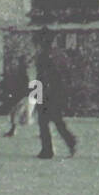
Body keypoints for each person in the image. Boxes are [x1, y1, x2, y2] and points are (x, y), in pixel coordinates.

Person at [34, 28, 77, 159]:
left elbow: (39, 78)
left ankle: (47, 150)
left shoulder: (42, 57)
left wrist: (35, 96)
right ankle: (70, 141)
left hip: (46, 94)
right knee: (57, 121)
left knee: (43, 123)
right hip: (57, 94)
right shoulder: (60, 55)